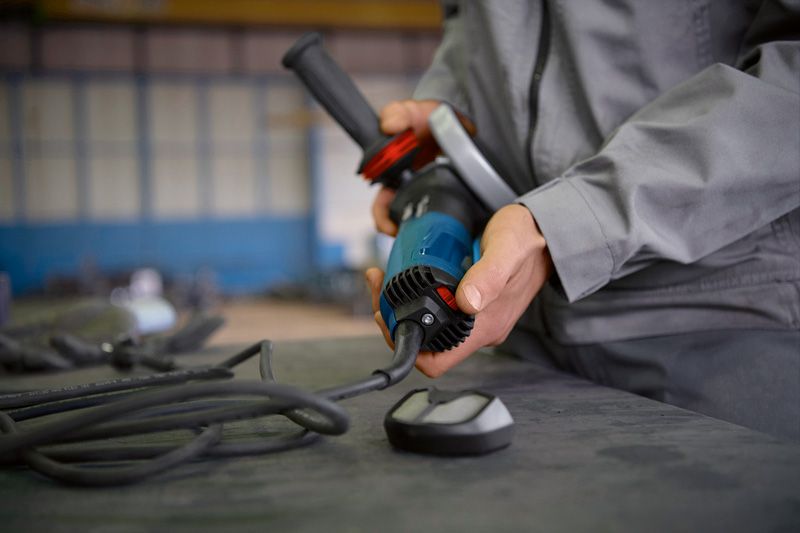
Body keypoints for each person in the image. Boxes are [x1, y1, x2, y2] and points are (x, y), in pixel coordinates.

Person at [364, 0, 800, 441]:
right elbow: (470, 20)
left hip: (712, 325)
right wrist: (452, 109)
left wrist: (571, 223)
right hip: (520, 337)